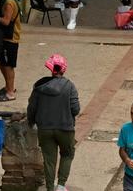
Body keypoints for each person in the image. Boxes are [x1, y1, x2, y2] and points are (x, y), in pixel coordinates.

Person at [28, 54, 81, 191]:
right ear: (64, 70)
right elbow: (75, 109)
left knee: (49, 160)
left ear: (51, 69)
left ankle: (50, 188)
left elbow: (32, 107)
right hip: (65, 128)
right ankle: (61, 185)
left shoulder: (39, 87)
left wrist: (31, 121)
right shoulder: (69, 86)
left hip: (44, 129)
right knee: (67, 155)